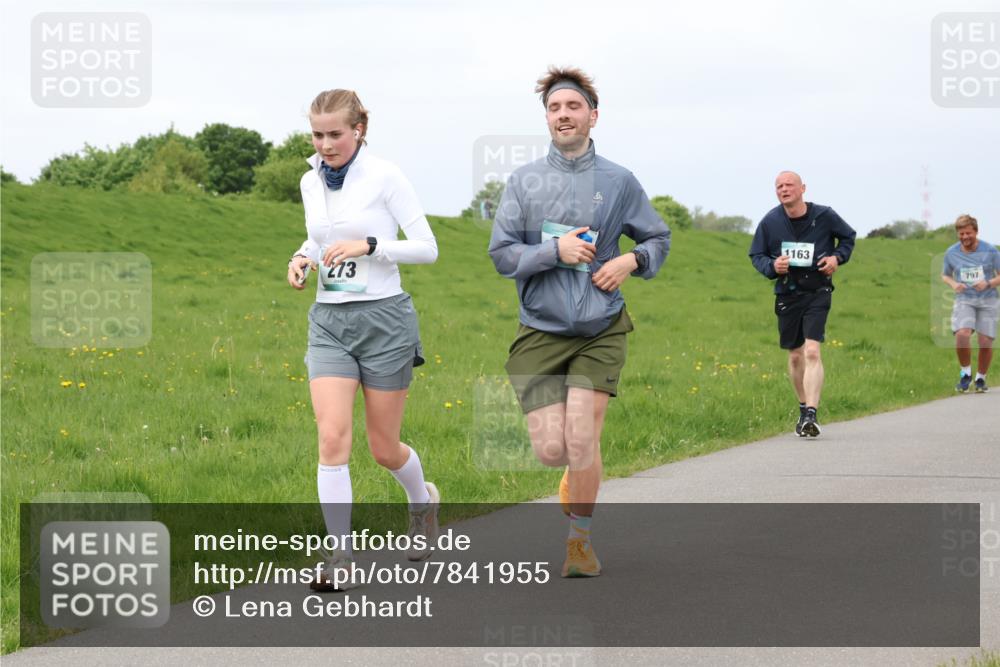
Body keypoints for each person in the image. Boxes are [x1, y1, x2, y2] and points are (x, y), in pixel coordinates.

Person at [488, 66, 670, 578]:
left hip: (600, 327)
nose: (563, 115)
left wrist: (630, 261)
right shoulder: (523, 182)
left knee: (584, 439)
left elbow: (657, 238)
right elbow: (502, 255)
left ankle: (579, 544)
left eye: (572, 107)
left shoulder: (619, 181)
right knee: (552, 451)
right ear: (545, 118)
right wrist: (553, 250)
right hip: (540, 331)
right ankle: (572, 477)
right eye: (553, 108)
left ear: (593, 115)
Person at [286, 89, 440, 591]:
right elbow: (320, 237)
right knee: (331, 438)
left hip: (384, 320)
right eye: (317, 134)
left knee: (383, 448)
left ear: (359, 129)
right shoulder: (310, 181)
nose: (325, 144)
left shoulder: (386, 177)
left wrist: (371, 245)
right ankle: (340, 558)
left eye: (335, 134)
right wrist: (302, 257)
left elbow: (427, 248)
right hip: (330, 321)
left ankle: (422, 503)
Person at [748, 171, 856, 438]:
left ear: (802, 189)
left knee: (811, 352)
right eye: (779, 186)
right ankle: (802, 406)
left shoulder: (824, 215)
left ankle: (811, 413)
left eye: (789, 185)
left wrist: (836, 259)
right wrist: (772, 266)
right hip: (787, 294)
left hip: (818, 291)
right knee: (795, 355)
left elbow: (848, 238)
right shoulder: (771, 221)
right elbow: (756, 254)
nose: (784, 189)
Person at [940, 214, 1000, 393]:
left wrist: (988, 283)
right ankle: (965, 374)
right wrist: (954, 284)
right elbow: (945, 275)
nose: (965, 237)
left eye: (968, 233)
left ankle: (981, 378)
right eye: (961, 234)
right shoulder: (951, 253)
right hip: (965, 299)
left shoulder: (990, 251)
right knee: (962, 334)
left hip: (988, 299)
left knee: (985, 341)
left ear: (976, 232)